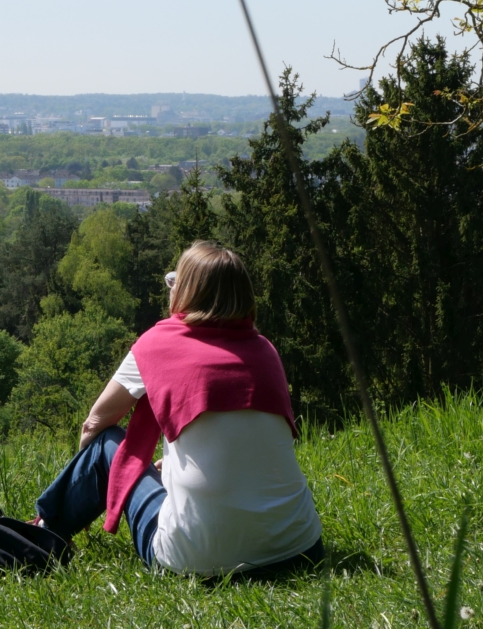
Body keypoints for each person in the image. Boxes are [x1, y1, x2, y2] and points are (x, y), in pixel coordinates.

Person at [33, 241, 323, 576]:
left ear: (186, 291)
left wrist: (84, 494)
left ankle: (46, 530)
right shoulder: (265, 351)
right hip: (299, 548)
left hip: (197, 560)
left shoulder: (157, 345)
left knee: (106, 441)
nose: (170, 287)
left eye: (175, 280)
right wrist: (172, 466)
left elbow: (94, 423)